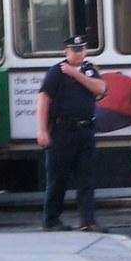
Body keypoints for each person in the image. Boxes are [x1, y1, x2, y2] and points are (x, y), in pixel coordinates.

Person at [36, 34, 108, 232]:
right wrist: (42, 130)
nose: (79, 53)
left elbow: (100, 88)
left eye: (82, 50)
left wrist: (75, 74)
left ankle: (88, 221)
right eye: (75, 50)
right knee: (58, 179)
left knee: (87, 178)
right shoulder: (56, 72)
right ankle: (51, 220)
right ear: (66, 52)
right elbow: (43, 100)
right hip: (62, 131)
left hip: (85, 130)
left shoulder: (88, 70)